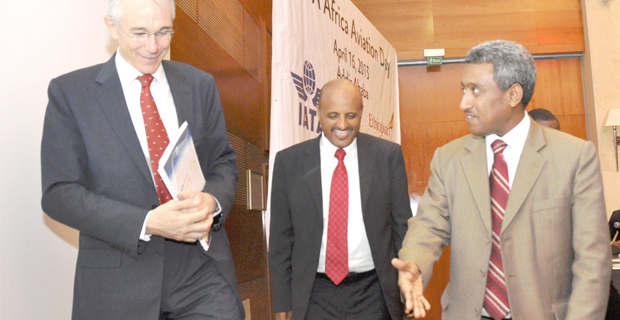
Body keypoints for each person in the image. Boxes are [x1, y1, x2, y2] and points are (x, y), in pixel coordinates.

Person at [40, 0, 244, 319]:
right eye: (139, 33)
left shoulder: (200, 85)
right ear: (111, 27)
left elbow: (223, 162)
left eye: (163, 32)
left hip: (200, 272)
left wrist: (212, 202)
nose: (153, 46)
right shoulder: (71, 93)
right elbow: (59, 194)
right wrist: (147, 222)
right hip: (118, 278)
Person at [392, 40, 610, 320]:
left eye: (476, 91)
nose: (464, 103)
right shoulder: (449, 158)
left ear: (513, 94)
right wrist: (415, 264)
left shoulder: (575, 157)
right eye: (463, 89)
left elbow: (592, 262)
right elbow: (428, 226)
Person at [269, 79, 412, 320]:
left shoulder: (387, 156)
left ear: (362, 113)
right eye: (333, 115)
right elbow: (281, 238)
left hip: (373, 291)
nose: (343, 125)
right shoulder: (289, 162)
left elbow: (402, 227)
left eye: (351, 115)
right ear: (319, 114)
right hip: (315, 293)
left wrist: (406, 288)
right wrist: (282, 301)